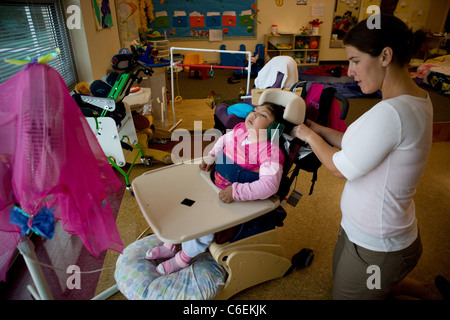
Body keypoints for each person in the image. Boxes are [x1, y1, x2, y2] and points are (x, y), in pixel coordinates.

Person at [291, 14, 445, 299]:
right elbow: (358, 145)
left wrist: (308, 137)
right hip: (367, 233)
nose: (349, 71)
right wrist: (318, 128)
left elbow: (341, 167)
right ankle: (427, 290)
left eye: (356, 60)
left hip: (379, 245)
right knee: (354, 282)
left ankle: (417, 289)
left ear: (385, 55)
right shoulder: (415, 99)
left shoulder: (392, 113)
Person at [146, 102, 286, 275]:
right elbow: (222, 140)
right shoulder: (240, 129)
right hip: (213, 184)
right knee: (187, 204)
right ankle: (171, 244)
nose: (254, 115)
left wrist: (236, 192)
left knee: (205, 224)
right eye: (255, 110)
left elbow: (269, 186)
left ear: (274, 128)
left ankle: (183, 258)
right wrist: (211, 156)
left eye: (263, 115)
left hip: (233, 200)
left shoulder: (270, 152)